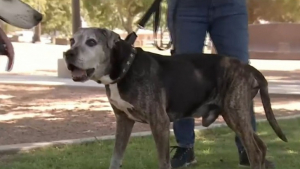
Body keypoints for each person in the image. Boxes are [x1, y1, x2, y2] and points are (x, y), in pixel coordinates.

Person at [167, 0, 274, 168]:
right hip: (186, 6)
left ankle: (248, 148)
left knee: (240, 76)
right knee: (182, 74)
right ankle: (185, 147)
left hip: (231, 6)